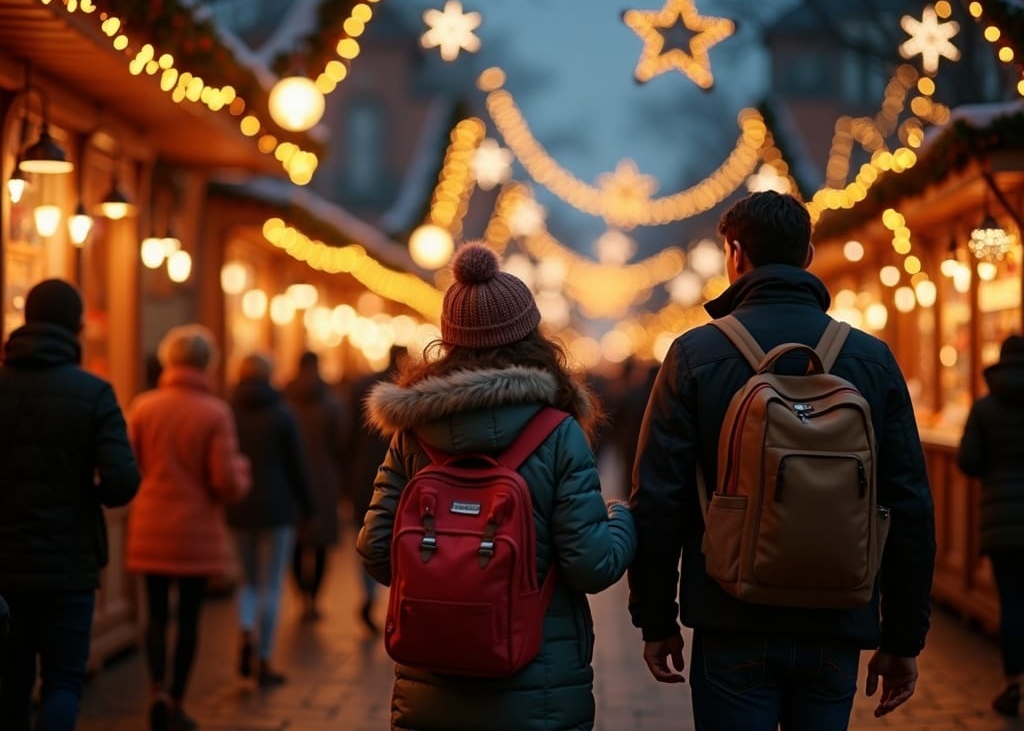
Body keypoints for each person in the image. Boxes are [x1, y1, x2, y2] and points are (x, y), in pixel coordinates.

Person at [628, 191, 936, 730]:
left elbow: (658, 499)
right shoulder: (870, 357)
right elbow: (908, 502)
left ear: (735, 253)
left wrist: (657, 621)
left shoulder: (695, 354)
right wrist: (901, 638)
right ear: (809, 255)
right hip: (836, 619)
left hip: (731, 616)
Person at [357, 241, 637, 731]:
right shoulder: (557, 432)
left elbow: (377, 550)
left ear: (448, 340)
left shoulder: (412, 431)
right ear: (531, 336)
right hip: (539, 687)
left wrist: (448, 579)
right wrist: (622, 521)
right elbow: (591, 564)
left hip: (432, 686)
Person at [0, 278, 140, 729]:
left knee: (10, 682)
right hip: (70, 562)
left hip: (4, 562)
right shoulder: (93, 392)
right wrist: (84, 495)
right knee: (63, 681)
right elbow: (122, 480)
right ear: (77, 326)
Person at [125, 324, 251, 731]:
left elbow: (129, 468)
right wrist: (242, 472)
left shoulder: (143, 407)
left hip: (150, 525)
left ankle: (156, 689)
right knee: (191, 619)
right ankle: (177, 699)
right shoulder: (215, 412)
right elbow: (225, 483)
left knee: (157, 615)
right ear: (206, 363)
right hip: (196, 531)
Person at [228, 353, 313, 688]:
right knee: (272, 584)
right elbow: (297, 464)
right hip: (278, 509)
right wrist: (308, 508)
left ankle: (246, 626)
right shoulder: (281, 413)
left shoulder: (229, 410)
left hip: (238, 507)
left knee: (247, 581)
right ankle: (263, 658)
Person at [958, 334, 1024, 717]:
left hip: (1001, 522)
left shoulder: (985, 408)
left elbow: (968, 462)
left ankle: (1012, 684)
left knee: (1012, 603)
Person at [346, 346, 405, 635]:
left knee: (370, 532)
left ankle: (369, 595)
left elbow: (347, 437)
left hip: (363, 473)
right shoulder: (412, 393)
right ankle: (393, 600)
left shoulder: (363, 387)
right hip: (403, 478)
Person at [285, 351, 346, 622]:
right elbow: (342, 444)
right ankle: (314, 598)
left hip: (290, 482)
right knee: (320, 544)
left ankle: (301, 594)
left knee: (295, 543)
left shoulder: (285, 402)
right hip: (324, 480)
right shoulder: (331, 403)